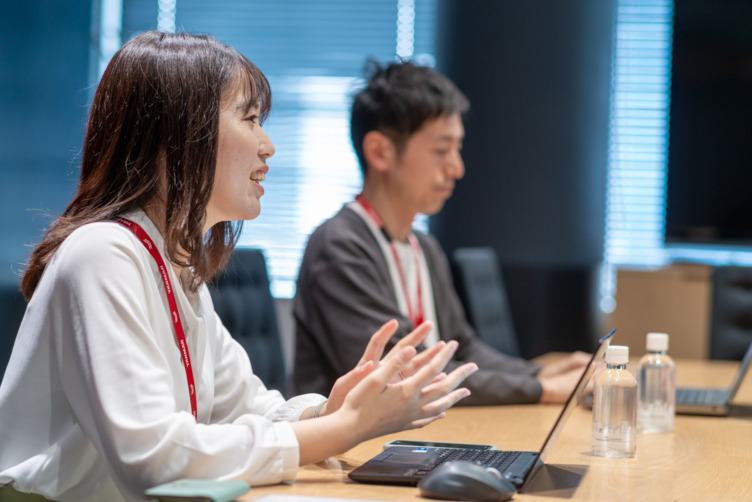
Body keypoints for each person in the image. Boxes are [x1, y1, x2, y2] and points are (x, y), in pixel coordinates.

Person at [0, 32, 478, 502]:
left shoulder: (175, 267)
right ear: (178, 132)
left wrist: (333, 410)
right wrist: (346, 428)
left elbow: (248, 409)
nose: (268, 146)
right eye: (250, 118)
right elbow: (154, 458)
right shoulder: (102, 253)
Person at [293, 60, 591, 405]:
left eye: (457, 148)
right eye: (440, 150)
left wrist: (539, 374)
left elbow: (463, 348)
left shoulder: (424, 247)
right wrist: (547, 390)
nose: (456, 168)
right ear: (380, 152)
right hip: (351, 452)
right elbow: (406, 373)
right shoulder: (340, 246)